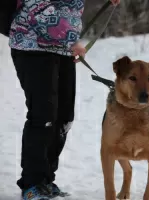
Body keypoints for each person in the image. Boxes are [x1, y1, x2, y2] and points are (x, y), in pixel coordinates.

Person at [9, 0, 121, 199]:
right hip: (32, 47)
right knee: (44, 117)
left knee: (64, 117)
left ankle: (46, 180)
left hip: (61, 50)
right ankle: (32, 183)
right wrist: (71, 40)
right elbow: (38, 9)